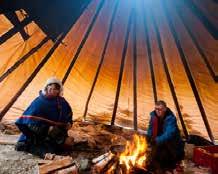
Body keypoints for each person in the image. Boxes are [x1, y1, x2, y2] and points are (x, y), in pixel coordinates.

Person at [15, 77, 74, 158]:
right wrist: (61, 138)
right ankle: (28, 147)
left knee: (66, 146)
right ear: (46, 87)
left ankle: (57, 143)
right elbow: (31, 125)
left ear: (59, 91)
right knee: (48, 150)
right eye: (50, 86)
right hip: (38, 134)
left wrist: (69, 123)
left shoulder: (62, 102)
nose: (52, 89)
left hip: (54, 134)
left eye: (56, 88)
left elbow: (69, 115)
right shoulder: (39, 102)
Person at [146, 100, 184, 171]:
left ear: (165, 109)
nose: (157, 111)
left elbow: (169, 134)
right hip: (160, 141)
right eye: (156, 109)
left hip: (172, 145)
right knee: (151, 157)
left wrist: (156, 140)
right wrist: (148, 136)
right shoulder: (154, 116)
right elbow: (150, 127)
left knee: (163, 161)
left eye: (160, 109)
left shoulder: (171, 119)